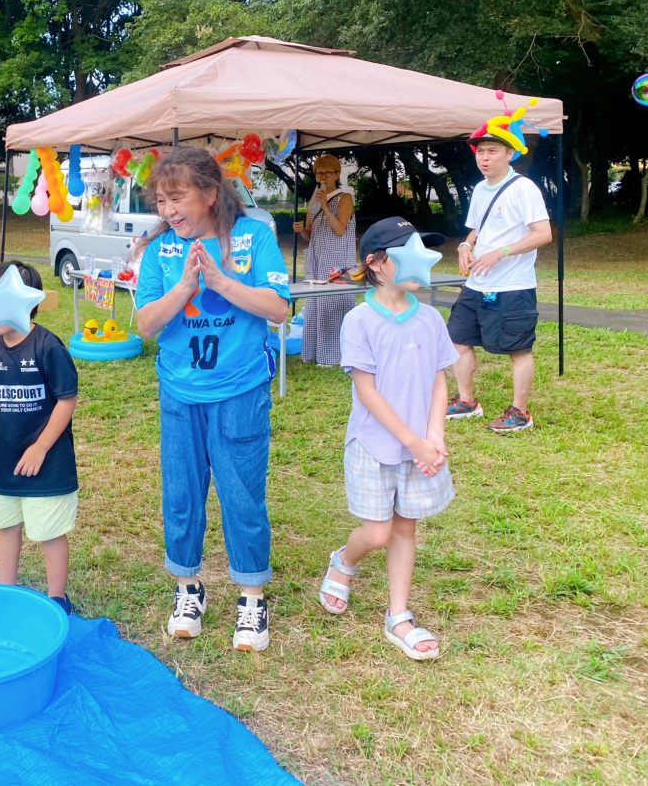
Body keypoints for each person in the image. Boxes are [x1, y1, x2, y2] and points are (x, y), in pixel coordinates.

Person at [135, 146, 291, 653]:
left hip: (240, 391)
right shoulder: (159, 251)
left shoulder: (253, 236)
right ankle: (188, 588)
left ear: (209, 193)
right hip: (180, 393)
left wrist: (222, 281)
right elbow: (145, 325)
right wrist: (185, 287)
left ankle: (251, 597)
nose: (168, 210)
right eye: (161, 201)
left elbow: (278, 309)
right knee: (180, 492)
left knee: (242, 491)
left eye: (176, 198)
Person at [318, 217, 456, 661]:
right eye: (411, 249)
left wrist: (433, 436)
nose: (423, 257)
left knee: (404, 529)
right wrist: (412, 441)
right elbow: (367, 391)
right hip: (374, 446)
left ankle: (399, 616)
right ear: (377, 264)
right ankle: (344, 561)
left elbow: (439, 382)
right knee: (377, 533)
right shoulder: (359, 320)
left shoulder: (431, 317)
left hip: (420, 448)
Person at [0, 262, 78, 615]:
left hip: (48, 462)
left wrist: (41, 447)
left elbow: (67, 399)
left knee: (49, 530)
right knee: (5, 524)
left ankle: (58, 600)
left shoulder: (47, 346)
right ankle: (5, 591)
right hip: (4, 458)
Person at [446, 123, 553, 433]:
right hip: (477, 284)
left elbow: (543, 234)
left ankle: (520, 412)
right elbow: (478, 229)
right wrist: (466, 245)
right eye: (481, 152)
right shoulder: (480, 189)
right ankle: (467, 401)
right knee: (458, 340)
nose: (485, 158)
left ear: (510, 154)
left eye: (493, 151)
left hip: (512, 286)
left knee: (518, 349)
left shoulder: (524, 188)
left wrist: (500, 252)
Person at [292, 154, 357, 366]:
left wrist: (326, 208)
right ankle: (312, 353)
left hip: (338, 258)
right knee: (314, 304)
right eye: (320, 173)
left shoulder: (344, 197)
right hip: (317, 257)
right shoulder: (314, 200)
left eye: (328, 173)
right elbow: (312, 234)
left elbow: (339, 229)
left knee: (333, 304)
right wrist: (302, 231)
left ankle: (333, 356)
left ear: (337, 174)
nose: (323, 177)